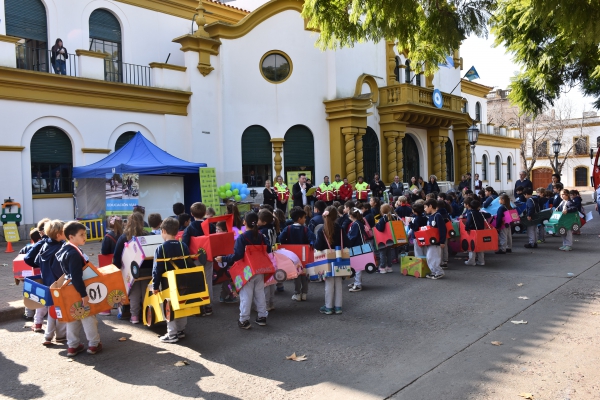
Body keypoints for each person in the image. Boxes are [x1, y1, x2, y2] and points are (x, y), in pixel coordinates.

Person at [215, 212, 270, 329]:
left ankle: (244, 320)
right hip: (259, 267)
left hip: (247, 270)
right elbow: (268, 249)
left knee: (246, 295)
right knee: (260, 293)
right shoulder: (260, 236)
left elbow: (238, 255)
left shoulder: (242, 237)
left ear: (245, 222)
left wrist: (223, 258)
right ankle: (262, 317)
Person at [56, 221, 102, 356]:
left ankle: (72, 346)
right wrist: (83, 294)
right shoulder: (74, 253)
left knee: (73, 316)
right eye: (81, 234)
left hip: (68, 287)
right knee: (87, 315)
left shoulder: (65, 249)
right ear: (71, 237)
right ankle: (94, 344)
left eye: (85, 234)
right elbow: (76, 276)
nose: (84, 237)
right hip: (78, 288)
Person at [152, 217, 193, 343]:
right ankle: (180, 330)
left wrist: (155, 285)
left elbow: (157, 269)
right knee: (181, 305)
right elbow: (188, 263)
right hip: (182, 281)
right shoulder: (183, 245)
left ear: (163, 231)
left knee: (168, 307)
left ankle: (172, 334)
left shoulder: (160, 249)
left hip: (167, 284)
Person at [112, 212, 151, 322]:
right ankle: (147, 316)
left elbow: (117, 256)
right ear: (142, 223)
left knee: (134, 293)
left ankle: (134, 317)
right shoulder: (148, 235)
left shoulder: (123, 237)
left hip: (130, 271)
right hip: (147, 268)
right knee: (146, 293)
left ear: (128, 223)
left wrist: (117, 268)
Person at [32, 220, 67, 343]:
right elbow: (58, 268)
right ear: (58, 234)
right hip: (59, 284)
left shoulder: (45, 245)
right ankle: (61, 335)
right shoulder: (61, 248)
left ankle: (48, 336)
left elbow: (36, 260)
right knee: (61, 309)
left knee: (52, 309)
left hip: (47, 282)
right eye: (64, 231)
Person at [315, 206, 347, 315]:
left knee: (328, 283)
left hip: (327, 260)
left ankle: (328, 307)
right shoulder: (341, 228)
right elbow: (347, 243)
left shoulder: (321, 230)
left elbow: (318, 245)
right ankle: (338, 307)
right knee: (338, 282)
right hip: (340, 258)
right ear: (336, 216)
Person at [279, 208, 316, 301]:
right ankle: (304, 293)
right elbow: (312, 238)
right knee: (304, 273)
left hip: (292, 255)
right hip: (304, 254)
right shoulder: (305, 229)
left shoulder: (287, 228)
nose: (305, 219)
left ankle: (297, 293)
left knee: (296, 274)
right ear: (299, 218)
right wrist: (311, 244)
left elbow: (280, 238)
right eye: (304, 218)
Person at [258, 210, 278, 310]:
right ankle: (271, 303)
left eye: (258, 219)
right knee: (272, 281)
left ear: (264, 222)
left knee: (265, 282)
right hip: (273, 256)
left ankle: (265, 305)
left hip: (265, 257)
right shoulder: (273, 228)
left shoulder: (262, 231)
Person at [423, 199, 446, 279]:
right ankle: (434, 271)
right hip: (431, 241)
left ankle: (439, 271)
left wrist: (442, 241)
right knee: (429, 257)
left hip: (436, 242)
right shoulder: (430, 217)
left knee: (435, 257)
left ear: (430, 206)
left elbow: (442, 229)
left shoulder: (437, 216)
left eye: (425, 207)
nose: (424, 209)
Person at [346, 207, 368, 292]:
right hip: (358, 246)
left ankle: (358, 284)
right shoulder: (358, 223)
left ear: (351, 215)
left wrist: (347, 242)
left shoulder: (356, 224)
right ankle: (356, 282)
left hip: (357, 247)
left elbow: (353, 237)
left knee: (357, 266)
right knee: (356, 266)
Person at [463, 199, 486, 266]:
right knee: (480, 246)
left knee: (472, 246)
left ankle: (471, 261)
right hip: (481, 231)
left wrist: (466, 228)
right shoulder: (481, 213)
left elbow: (468, 222)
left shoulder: (470, 213)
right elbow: (488, 215)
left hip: (473, 231)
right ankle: (481, 261)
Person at [375, 204, 396, 274]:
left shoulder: (382, 219)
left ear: (381, 211)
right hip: (391, 238)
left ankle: (382, 267)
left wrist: (376, 225)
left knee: (382, 253)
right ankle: (389, 267)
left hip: (383, 239)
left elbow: (380, 229)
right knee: (389, 253)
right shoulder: (392, 217)